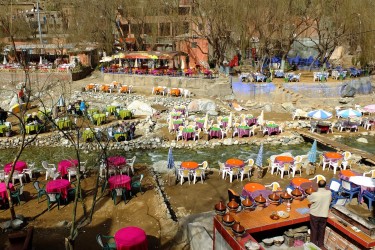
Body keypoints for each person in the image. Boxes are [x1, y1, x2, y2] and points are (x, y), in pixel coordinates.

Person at [307, 180, 332, 248]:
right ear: (325, 185)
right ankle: (321, 245)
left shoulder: (315, 194)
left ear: (318, 185)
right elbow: (330, 200)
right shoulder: (329, 193)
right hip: (324, 214)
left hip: (315, 214)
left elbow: (309, 198)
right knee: (322, 230)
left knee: (314, 230)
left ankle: (313, 245)